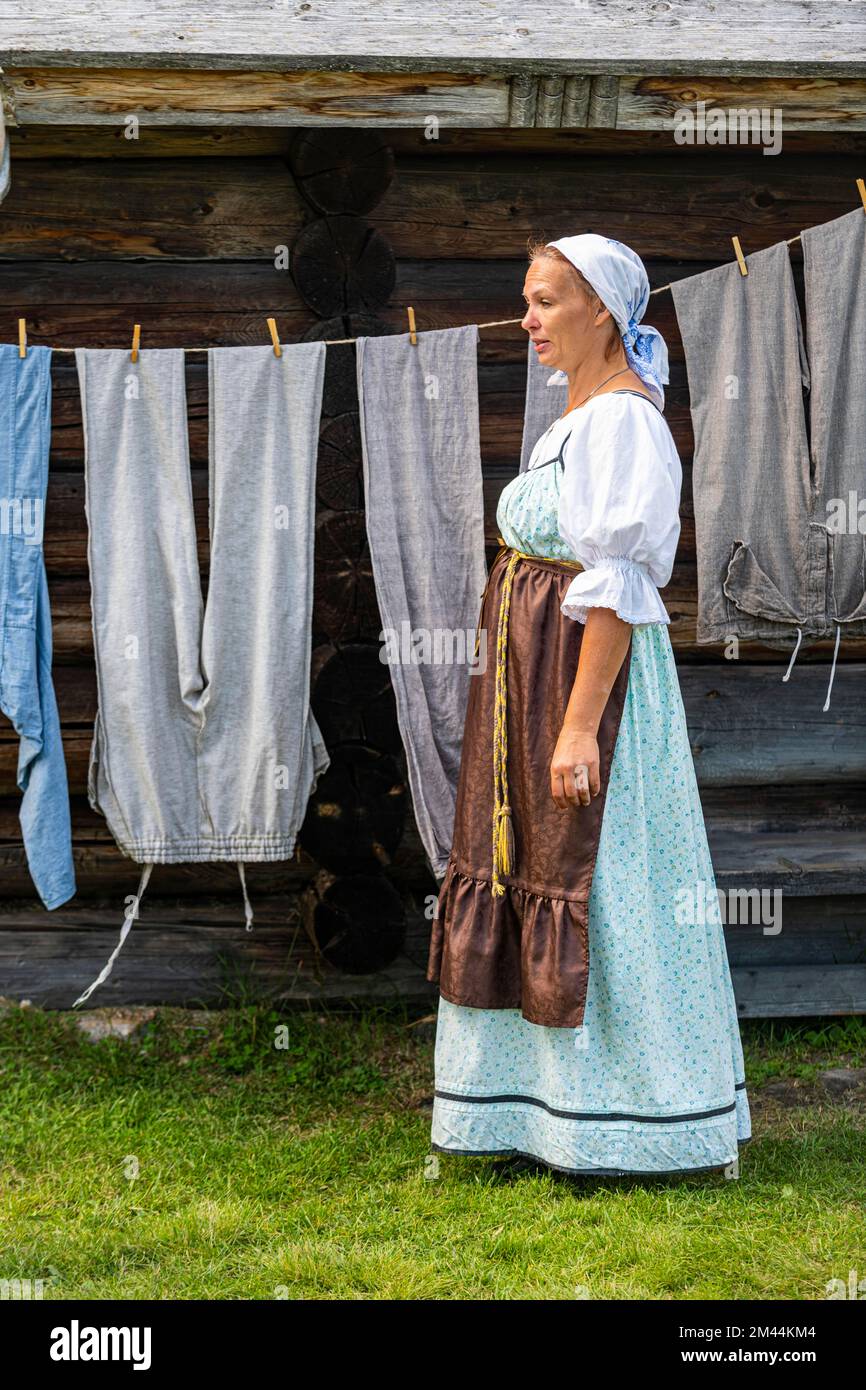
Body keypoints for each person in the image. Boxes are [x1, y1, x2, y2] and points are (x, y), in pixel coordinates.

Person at [426, 233, 751, 1178]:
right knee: (537, 863)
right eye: (527, 301)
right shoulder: (577, 418)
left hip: (584, 691)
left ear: (601, 310)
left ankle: (634, 1120)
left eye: (543, 301)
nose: (526, 320)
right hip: (533, 683)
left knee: (606, 878)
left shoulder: (623, 425)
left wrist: (575, 725)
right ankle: (539, 1114)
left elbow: (615, 582)